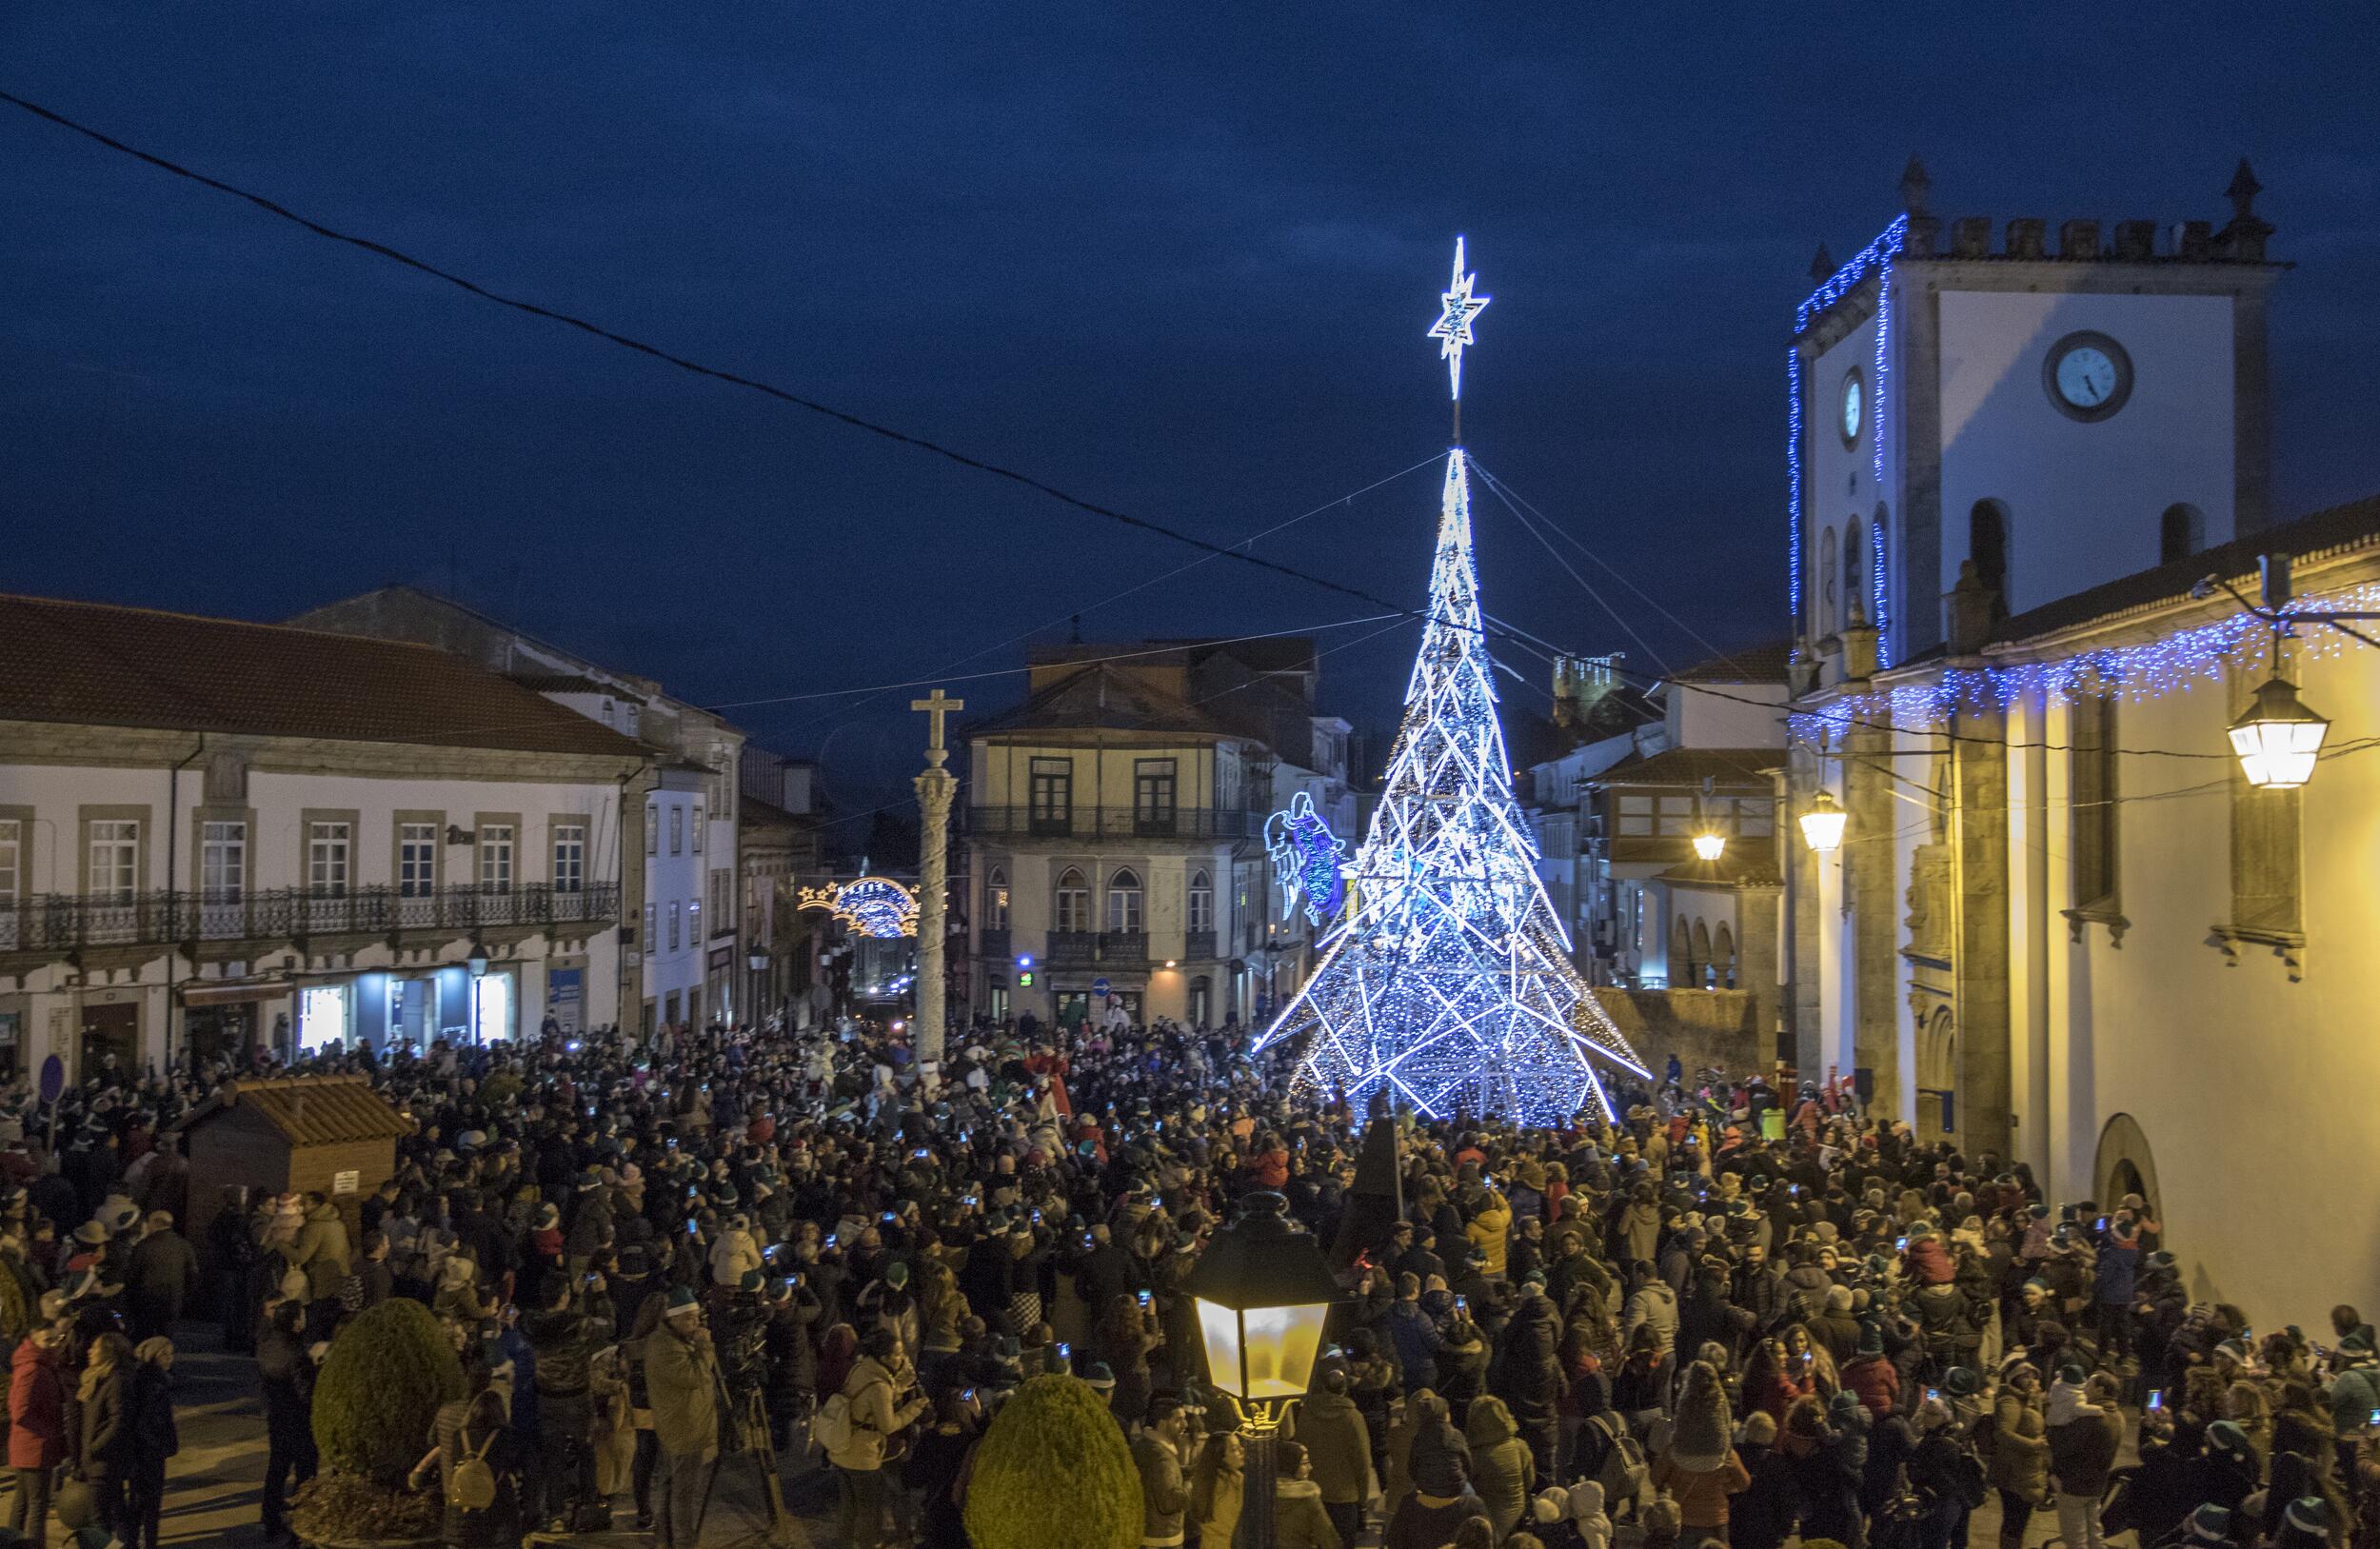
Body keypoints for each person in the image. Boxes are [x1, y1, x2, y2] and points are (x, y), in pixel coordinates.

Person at [827, 1324, 926, 1549]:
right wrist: (914, 1408)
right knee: (868, 1511)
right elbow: (888, 1425)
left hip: (843, 1449)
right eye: (899, 1354)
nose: (902, 1358)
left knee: (848, 1506)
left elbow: (868, 1402)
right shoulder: (880, 1387)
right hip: (863, 1457)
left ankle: (843, 1544)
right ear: (885, 1357)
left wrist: (898, 1387)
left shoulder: (860, 1369)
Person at [644, 1286, 722, 1549]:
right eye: (689, 1318)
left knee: (671, 1487)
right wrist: (704, 1346)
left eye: (697, 1316)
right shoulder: (665, 1346)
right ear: (672, 1318)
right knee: (683, 1496)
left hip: (681, 1426)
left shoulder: (673, 1340)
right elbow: (696, 1376)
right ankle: (683, 1542)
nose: (696, 1323)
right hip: (684, 1429)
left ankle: (664, 1540)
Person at [1293, 1363, 1378, 1548]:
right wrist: (1362, 1500)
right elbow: (1362, 1463)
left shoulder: (1307, 1412)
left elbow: (1298, 1449)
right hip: (1345, 1498)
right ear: (1345, 1387)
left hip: (1313, 1491)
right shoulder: (1353, 1418)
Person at [257, 1298, 318, 1542]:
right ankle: (301, 1522)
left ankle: (270, 1517)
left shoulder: (266, 1345)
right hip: (298, 1420)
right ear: (295, 1322)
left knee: (277, 1468)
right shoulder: (297, 1352)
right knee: (306, 1471)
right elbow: (305, 1393)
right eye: (302, 1316)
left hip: (276, 1415)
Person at [9, 1318, 68, 1546]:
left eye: (57, 1338)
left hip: (27, 1446)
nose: (54, 1344)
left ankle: (10, 1543)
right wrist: (47, 1433)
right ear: (34, 1340)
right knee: (36, 1506)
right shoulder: (33, 1369)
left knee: (22, 1502)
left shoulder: (35, 1363)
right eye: (48, 1340)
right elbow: (20, 1412)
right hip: (34, 1447)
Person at [78, 1330, 135, 1546]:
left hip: (103, 1462)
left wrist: (93, 1448)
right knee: (116, 1512)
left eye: (95, 1348)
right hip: (102, 1461)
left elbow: (118, 1421)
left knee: (97, 1519)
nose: (90, 1351)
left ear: (108, 1353)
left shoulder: (115, 1381)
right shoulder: (99, 1377)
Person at [124, 1337, 179, 1549]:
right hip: (150, 1452)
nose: (170, 1359)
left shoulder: (143, 1379)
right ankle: (149, 1543)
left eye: (171, 1354)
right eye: (165, 1354)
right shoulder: (154, 1384)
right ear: (154, 1356)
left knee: (138, 1502)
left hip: (143, 1450)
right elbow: (149, 1420)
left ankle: (132, 1542)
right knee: (150, 1504)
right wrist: (159, 1445)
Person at [124, 1211, 198, 1344]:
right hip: (173, 1298)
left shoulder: (144, 1245)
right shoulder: (184, 1245)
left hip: (147, 1299)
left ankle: (146, 1362)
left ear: (155, 1223)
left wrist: (130, 1299)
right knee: (166, 1336)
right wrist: (185, 1295)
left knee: (144, 1335)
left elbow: (132, 1274)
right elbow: (192, 1273)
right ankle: (162, 1361)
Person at [1133, 1395, 1193, 1549]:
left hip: (1147, 1533)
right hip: (1163, 1539)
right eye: (1178, 1420)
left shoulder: (1144, 1445)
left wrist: (1185, 1472)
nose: (1185, 1424)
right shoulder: (1162, 1458)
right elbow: (1169, 1501)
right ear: (1162, 1424)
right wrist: (1189, 1486)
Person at [1273, 1439, 1345, 1549]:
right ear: (1291, 1465)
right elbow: (1329, 1539)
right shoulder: (1308, 1498)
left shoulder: (1263, 1494)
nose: (1310, 1467)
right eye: (1304, 1463)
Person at [1190, 1431, 1246, 1549]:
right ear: (1221, 1457)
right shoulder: (1236, 1483)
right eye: (1234, 1449)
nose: (1242, 1450)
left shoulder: (1202, 1481)